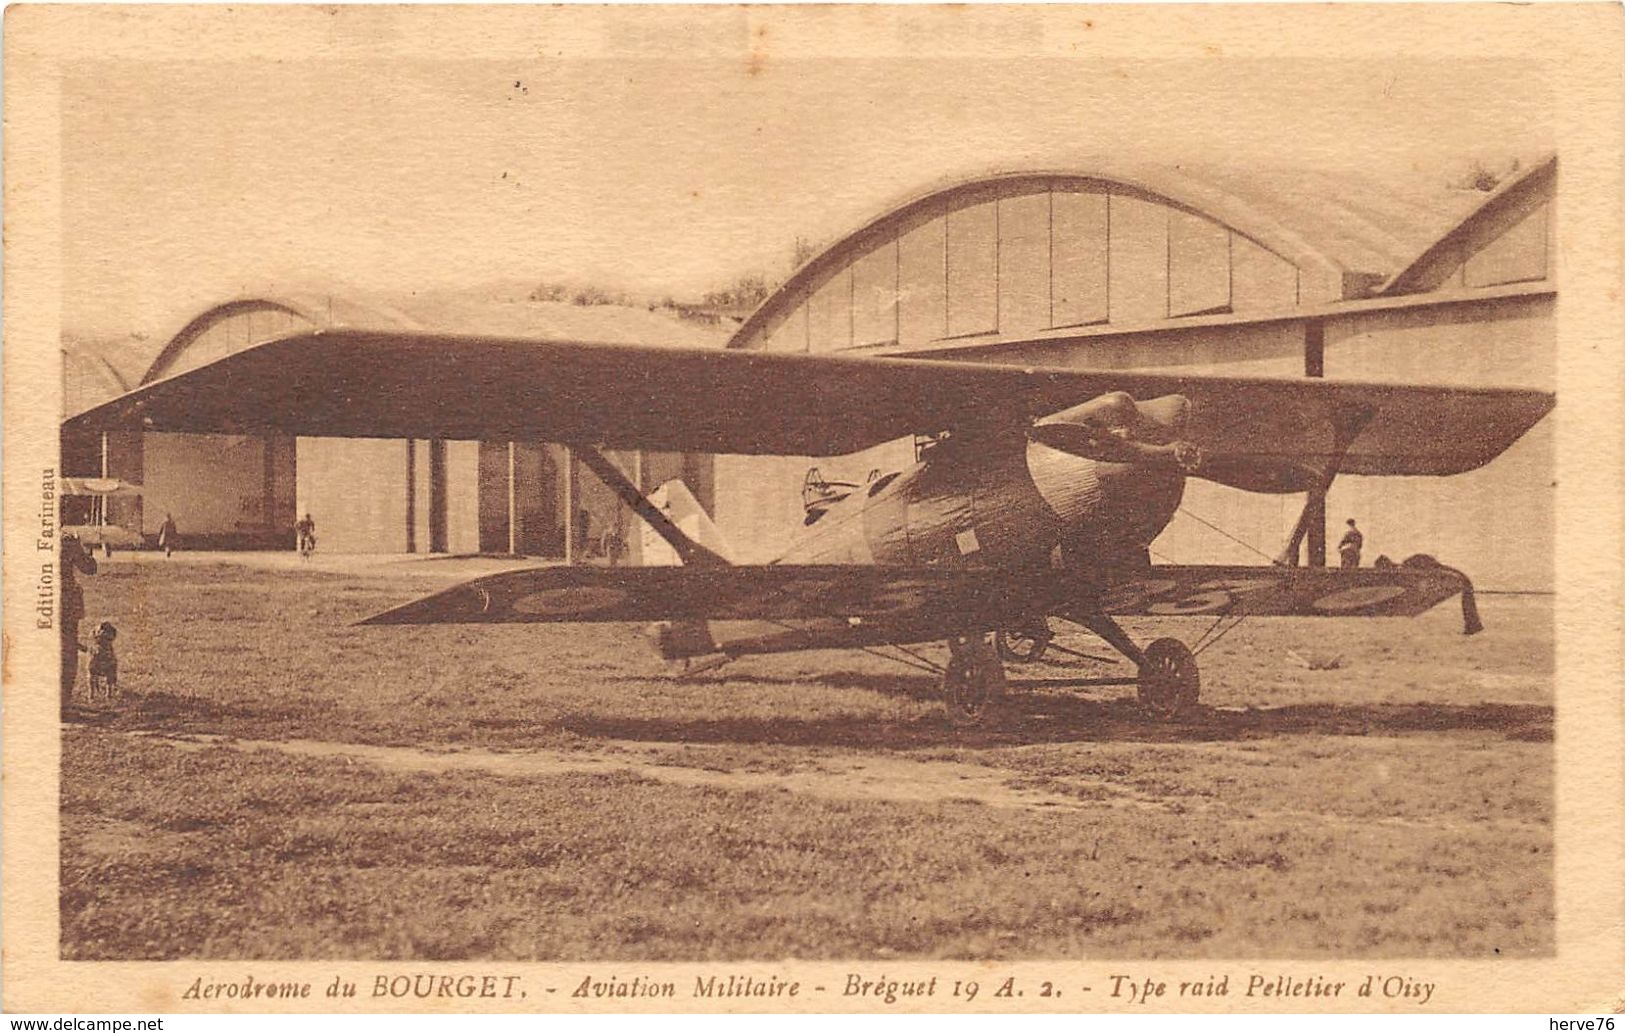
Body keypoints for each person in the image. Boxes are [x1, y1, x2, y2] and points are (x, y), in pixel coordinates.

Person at [60, 533, 98, 718]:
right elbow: (89, 568)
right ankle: (63, 701)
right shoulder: (67, 541)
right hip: (65, 603)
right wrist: (86, 548)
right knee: (67, 651)